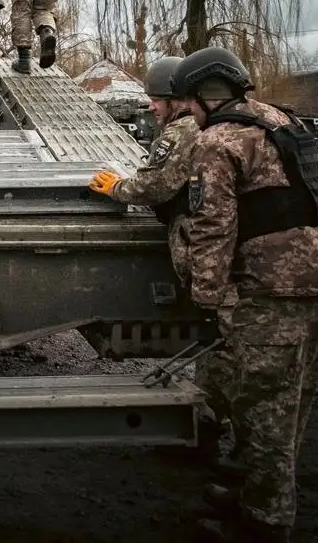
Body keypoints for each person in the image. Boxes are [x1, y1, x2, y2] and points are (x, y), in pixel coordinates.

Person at [170, 46, 318, 543]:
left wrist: (205, 298)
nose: (185, 110)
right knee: (296, 395)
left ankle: (265, 521)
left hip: (278, 286)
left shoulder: (217, 141)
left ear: (204, 96)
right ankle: (254, 488)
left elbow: (213, 227)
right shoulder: (281, 121)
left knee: (263, 405)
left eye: (187, 101)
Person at [88, 57, 237, 464]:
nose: (151, 106)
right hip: (234, 255)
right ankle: (213, 429)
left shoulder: (183, 129)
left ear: (178, 99)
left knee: (225, 346)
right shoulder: (222, 124)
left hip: (214, 258)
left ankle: (209, 433)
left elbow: (157, 185)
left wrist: (117, 187)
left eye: (156, 99)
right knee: (227, 347)